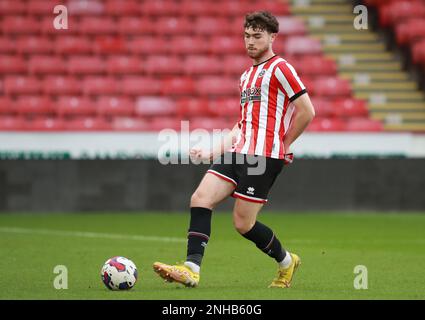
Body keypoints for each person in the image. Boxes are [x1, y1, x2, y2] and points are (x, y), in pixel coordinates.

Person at [153, 11, 315, 288]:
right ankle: (191, 269)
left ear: (272, 37)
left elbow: (307, 111)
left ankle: (287, 262)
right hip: (238, 151)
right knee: (201, 197)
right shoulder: (246, 77)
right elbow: (242, 123)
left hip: (263, 156)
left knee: (242, 223)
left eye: (257, 36)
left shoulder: (281, 68)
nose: (250, 42)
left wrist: (283, 144)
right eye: (247, 36)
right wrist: (214, 150)